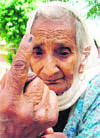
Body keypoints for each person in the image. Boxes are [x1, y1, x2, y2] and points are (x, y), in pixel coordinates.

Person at [0, 1, 100, 138]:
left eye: (63, 53)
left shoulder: (95, 94)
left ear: (83, 56)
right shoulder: (10, 99)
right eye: (38, 52)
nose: (49, 70)